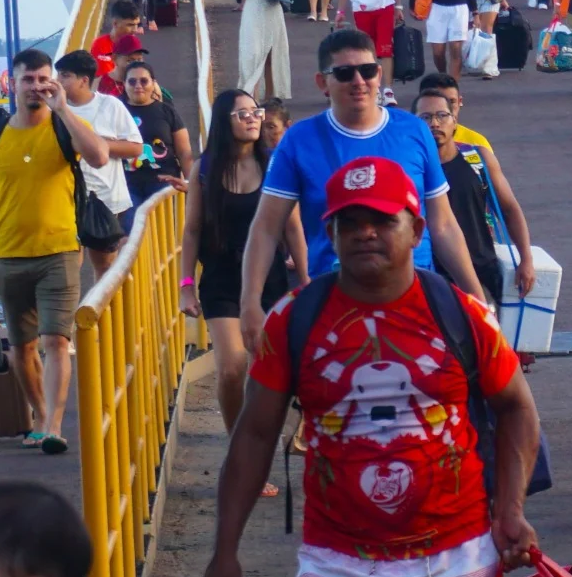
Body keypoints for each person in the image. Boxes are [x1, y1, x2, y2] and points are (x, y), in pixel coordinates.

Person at [201, 158, 541, 577]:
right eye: (349, 222)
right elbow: (255, 434)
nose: (365, 234)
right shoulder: (293, 319)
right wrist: (225, 548)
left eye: (383, 220)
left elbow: (517, 409)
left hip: (452, 560)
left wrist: (510, 509)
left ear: (417, 230)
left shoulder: (462, 314)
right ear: (329, 233)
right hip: (339, 567)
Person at [240, 29, 483, 357]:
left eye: (367, 71)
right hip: (336, 303)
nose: (358, 81)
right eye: (344, 73)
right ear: (322, 82)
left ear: (379, 74)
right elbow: (266, 228)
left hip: (415, 299)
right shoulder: (298, 141)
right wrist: (250, 303)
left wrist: (477, 301)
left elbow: (443, 225)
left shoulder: (413, 132)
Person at [0, 49, 111, 457]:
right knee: (21, 348)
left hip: (59, 251)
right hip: (9, 255)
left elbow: (99, 156)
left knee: (55, 340)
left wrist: (62, 108)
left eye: (45, 80)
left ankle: (53, 426)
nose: (37, 88)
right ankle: (41, 414)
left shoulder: (64, 128)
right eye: (29, 80)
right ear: (14, 83)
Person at [181, 90, 306, 451]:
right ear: (225, 121)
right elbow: (191, 230)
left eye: (256, 112)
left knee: (269, 369)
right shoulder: (204, 169)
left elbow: (292, 226)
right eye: (243, 114)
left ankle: (265, 437)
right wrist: (186, 284)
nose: (254, 119)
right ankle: (243, 449)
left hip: (269, 278)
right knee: (233, 366)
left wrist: (306, 276)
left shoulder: (275, 163)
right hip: (221, 276)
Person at [414, 85, 535, 306]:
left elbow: (509, 209)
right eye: (425, 117)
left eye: (442, 115)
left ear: (454, 121)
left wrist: (525, 259)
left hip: (482, 272)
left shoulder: (478, 157)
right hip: (429, 277)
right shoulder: (410, 167)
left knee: (485, 339)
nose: (434, 123)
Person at [54, 50, 143, 276]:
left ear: (84, 80)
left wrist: (97, 144)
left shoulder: (110, 105)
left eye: (65, 76)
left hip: (105, 199)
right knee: (69, 265)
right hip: (65, 198)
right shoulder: (52, 111)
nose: (57, 81)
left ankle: (107, 312)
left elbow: (135, 147)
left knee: (104, 266)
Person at [230, 0, 292, 101]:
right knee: (253, 54)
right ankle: (253, 97)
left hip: (272, 11)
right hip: (252, 11)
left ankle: (271, 98)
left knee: (273, 55)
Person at [121, 60, 191, 203]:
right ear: (124, 84)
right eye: (132, 82)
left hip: (164, 181)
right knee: (131, 223)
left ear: (153, 83)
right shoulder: (115, 110)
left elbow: (184, 152)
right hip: (125, 184)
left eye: (144, 81)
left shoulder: (167, 111)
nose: (138, 86)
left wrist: (191, 186)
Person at [90, 0, 141, 91]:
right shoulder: (100, 45)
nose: (135, 30)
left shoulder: (133, 41)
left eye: (137, 25)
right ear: (115, 23)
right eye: (130, 25)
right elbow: (111, 78)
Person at [97, 32, 147, 99]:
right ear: (114, 59)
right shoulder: (107, 86)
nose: (136, 65)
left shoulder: (146, 79)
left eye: (139, 59)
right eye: (130, 61)